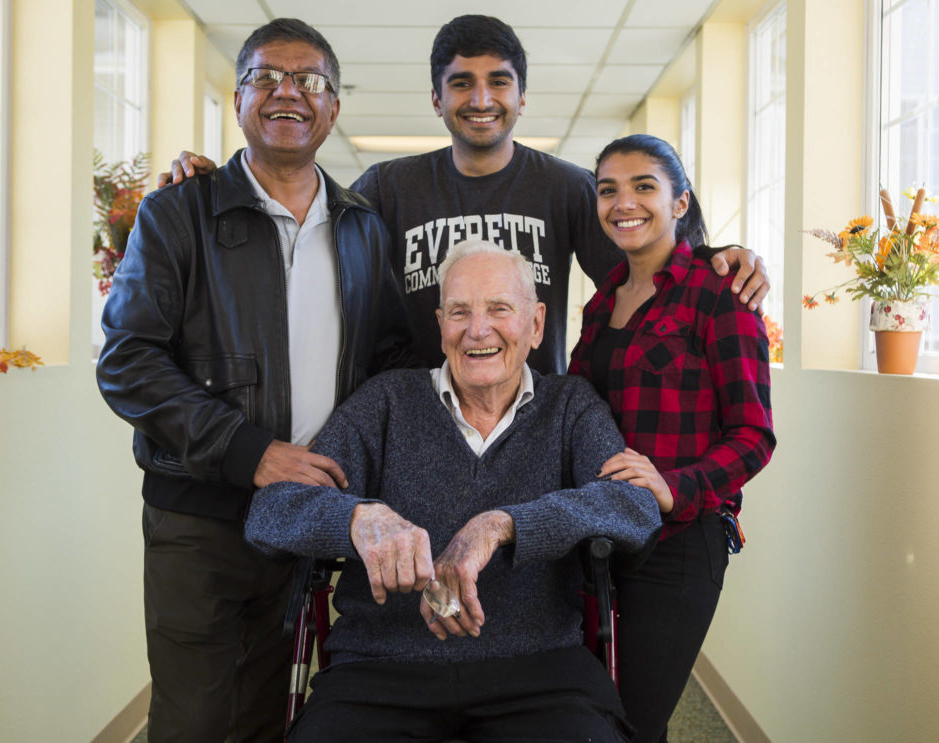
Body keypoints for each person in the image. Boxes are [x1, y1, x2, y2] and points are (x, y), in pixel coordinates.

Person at [96, 18, 412, 743]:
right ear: (237, 99)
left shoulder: (362, 226)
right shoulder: (178, 213)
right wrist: (250, 451)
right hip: (200, 514)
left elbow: (389, 359)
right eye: (266, 77)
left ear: (333, 107)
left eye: (309, 81)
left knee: (275, 704)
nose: (287, 93)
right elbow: (127, 360)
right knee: (198, 715)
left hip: (306, 516)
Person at [161, 14, 770, 374]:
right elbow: (300, 227)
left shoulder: (564, 187)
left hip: (531, 429)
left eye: (498, 82)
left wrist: (725, 254)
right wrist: (218, 182)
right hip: (421, 432)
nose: (481, 99)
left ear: (522, 97)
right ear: (437, 99)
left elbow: (649, 260)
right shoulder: (388, 188)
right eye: (461, 84)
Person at [244, 240, 662, 743]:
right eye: (460, 311)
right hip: (382, 670)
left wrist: (502, 525)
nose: (477, 329)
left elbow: (634, 506)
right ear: (441, 324)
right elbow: (270, 513)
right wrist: (359, 518)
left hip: (540, 673)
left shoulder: (571, 406)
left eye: (499, 309)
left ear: (535, 324)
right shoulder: (385, 401)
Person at [568, 134, 776, 742]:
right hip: (600, 534)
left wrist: (673, 487)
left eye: (643, 187)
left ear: (680, 202)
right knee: (592, 711)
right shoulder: (602, 301)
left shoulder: (720, 294)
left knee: (635, 720)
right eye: (608, 190)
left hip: (679, 543)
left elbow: (754, 434)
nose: (622, 202)